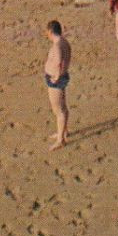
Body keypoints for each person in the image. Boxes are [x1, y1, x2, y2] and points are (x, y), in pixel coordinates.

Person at [43, 20, 70, 150]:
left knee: (58, 110)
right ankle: (63, 131)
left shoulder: (57, 46)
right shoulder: (64, 42)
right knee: (62, 107)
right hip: (61, 77)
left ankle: (60, 140)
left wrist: (56, 77)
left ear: (50, 32)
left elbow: (59, 61)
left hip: (56, 80)